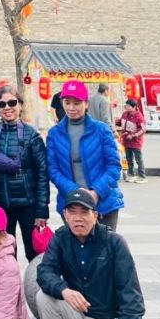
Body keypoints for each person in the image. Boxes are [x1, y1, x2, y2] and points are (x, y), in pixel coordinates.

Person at [36, 188, 144, 319]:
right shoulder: (61, 237)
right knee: (43, 297)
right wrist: (64, 290)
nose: (78, 218)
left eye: (84, 212)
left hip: (106, 316)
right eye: (72, 212)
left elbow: (132, 297)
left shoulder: (114, 242)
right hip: (76, 311)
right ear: (65, 215)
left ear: (95, 215)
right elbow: (45, 272)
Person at [46, 80, 124, 231]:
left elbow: (114, 166)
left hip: (104, 203)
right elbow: (53, 170)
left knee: (105, 245)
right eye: (67, 102)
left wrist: (96, 192)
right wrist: (75, 192)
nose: (71, 108)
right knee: (76, 246)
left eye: (76, 103)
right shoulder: (54, 134)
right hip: (71, 204)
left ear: (86, 103)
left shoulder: (102, 130)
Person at [0, 85, 49, 261]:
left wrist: (42, 210)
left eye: (12, 103)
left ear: (20, 105)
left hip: (28, 203)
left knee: (33, 251)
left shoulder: (32, 135)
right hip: (1, 202)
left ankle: (35, 279)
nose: (7, 107)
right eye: (2, 104)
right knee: (4, 252)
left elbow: (42, 173)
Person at [118, 99, 147, 183]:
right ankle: (131, 175)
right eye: (126, 106)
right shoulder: (125, 114)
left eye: (128, 106)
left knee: (138, 159)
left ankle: (142, 177)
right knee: (128, 158)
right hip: (126, 141)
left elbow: (143, 129)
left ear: (134, 107)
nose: (126, 107)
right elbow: (121, 122)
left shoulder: (139, 117)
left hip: (136, 141)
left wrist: (133, 135)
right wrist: (116, 122)